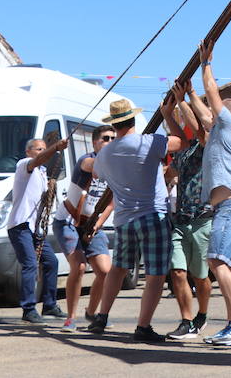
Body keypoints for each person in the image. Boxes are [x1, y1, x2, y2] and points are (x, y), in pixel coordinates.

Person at [84, 96, 183, 342]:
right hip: (153, 214)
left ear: (114, 124)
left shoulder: (105, 154)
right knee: (155, 274)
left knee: (118, 269)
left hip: (124, 219)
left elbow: (96, 172)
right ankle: (143, 326)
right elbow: (182, 141)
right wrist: (168, 114)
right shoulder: (147, 142)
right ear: (132, 119)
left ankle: (102, 316)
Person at [195, 40, 231, 347]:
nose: (211, 116)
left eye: (216, 112)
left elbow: (214, 98)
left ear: (227, 115)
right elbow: (203, 116)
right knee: (226, 266)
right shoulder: (221, 132)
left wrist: (206, 64)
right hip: (228, 206)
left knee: (218, 261)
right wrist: (186, 96)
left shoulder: (230, 125)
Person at [162, 82, 214, 340]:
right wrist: (167, 114)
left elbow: (198, 129)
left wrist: (183, 99)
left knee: (201, 276)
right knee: (178, 272)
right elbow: (179, 135)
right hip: (181, 219)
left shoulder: (206, 144)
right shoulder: (182, 151)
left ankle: (202, 313)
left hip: (203, 219)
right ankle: (186, 320)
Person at [8, 135, 69, 323]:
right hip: (21, 225)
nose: (42, 152)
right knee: (30, 265)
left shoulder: (42, 172)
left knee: (51, 262)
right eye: (39, 149)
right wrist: (55, 148)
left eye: (44, 148)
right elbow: (39, 160)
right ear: (29, 152)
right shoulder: (25, 164)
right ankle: (28, 309)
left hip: (35, 228)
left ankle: (49, 305)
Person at [60, 125, 115, 330]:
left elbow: (111, 204)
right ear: (94, 142)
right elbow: (94, 167)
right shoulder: (86, 160)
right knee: (80, 266)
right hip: (69, 221)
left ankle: (92, 313)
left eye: (113, 138)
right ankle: (71, 317)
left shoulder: (114, 167)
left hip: (93, 224)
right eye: (105, 139)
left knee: (105, 271)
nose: (110, 142)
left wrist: (97, 225)